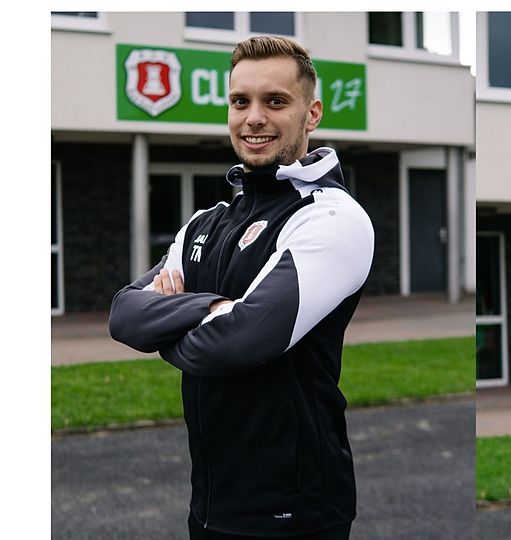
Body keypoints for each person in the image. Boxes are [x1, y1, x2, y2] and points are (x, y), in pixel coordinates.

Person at [109, 35, 374, 540]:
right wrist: (215, 307)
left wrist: (174, 318)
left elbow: (238, 343)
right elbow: (123, 314)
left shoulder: (332, 218)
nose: (254, 117)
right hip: (211, 504)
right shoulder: (208, 221)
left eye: (275, 101)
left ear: (311, 113)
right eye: (240, 101)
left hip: (296, 513)